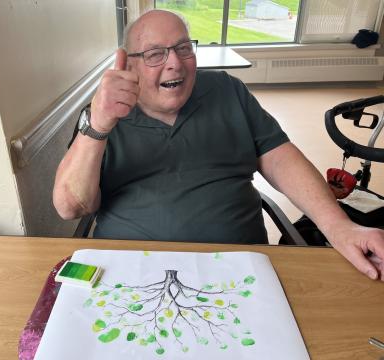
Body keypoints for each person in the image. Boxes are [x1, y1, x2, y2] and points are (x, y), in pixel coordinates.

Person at [53, 10, 384, 281]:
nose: (175, 63)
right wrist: (97, 126)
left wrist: (340, 227)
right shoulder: (102, 115)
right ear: (129, 65)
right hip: (131, 273)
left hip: (237, 270)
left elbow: (281, 160)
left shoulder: (228, 91)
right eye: (156, 54)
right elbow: (70, 207)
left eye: (184, 48)